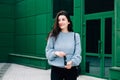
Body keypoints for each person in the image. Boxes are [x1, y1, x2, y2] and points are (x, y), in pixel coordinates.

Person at [45, 10, 82, 80]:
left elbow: (78, 54)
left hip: (71, 69)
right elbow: (48, 53)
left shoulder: (75, 36)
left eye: (63, 19)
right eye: (59, 20)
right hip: (56, 70)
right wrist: (56, 53)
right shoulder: (53, 36)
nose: (60, 22)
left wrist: (72, 62)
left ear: (68, 22)